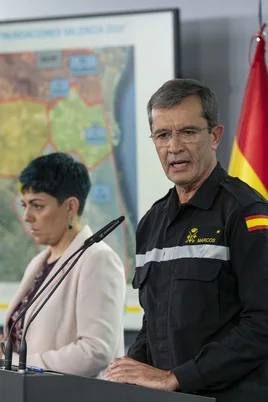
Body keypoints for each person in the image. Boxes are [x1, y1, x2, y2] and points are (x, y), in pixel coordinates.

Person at [105, 79, 268, 401]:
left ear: (215, 136)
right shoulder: (152, 222)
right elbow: (156, 321)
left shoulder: (245, 211)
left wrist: (178, 377)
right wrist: (129, 369)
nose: (174, 147)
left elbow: (262, 322)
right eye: (163, 135)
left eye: (188, 132)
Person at [1, 152, 126, 378]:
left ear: (70, 207)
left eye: (37, 206)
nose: (27, 216)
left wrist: (17, 362)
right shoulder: (37, 263)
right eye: (25, 205)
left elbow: (95, 352)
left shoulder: (98, 259)